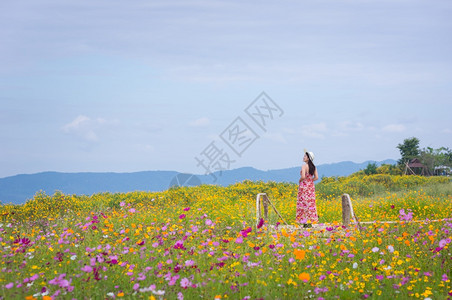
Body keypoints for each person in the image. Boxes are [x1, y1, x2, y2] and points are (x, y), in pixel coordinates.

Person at [296, 150, 319, 227]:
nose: (303, 157)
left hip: (304, 186)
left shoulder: (304, 166)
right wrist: (310, 181)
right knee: (310, 203)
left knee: (303, 203)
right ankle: (311, 221)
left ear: (308, 158)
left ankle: (304, 222)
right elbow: (316, 177)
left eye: (305, 156)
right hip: (311, 186)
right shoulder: (314, 167)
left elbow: (303, 176)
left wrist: (300, 181)